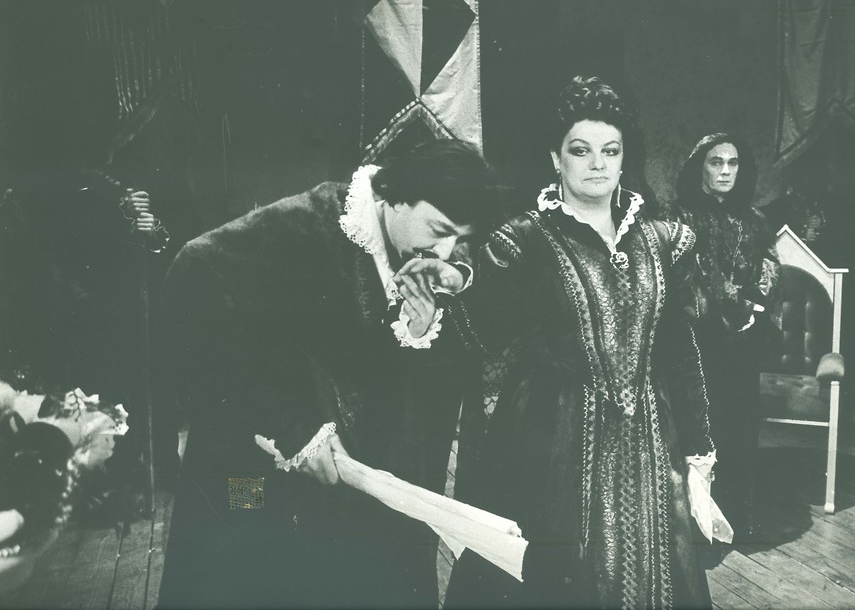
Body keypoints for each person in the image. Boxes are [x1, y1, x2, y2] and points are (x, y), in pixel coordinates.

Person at [403, 76, 717, 608]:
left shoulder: (661, 240)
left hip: (650, 447)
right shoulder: (524, 240)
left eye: (610, 150)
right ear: (556, 159)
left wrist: (698, 447)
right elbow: (478, 332)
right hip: (549, 447)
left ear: (623, 159)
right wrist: (438, 306)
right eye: (581, 150)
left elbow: (680, 352)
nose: (597, 163)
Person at [156, 139, 497, 608]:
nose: (445, 250)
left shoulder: (417, 246)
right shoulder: (306, 223)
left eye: (459, 239)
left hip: (336, 487)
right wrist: (292, 426)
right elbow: (192, 275)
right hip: (249, 469)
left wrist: (414, 331)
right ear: (396, 196)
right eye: (440, 231)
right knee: (244, 576)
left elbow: (364, 364)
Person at [674, 133, 781, 543]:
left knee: (740, 428)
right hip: (696, 340)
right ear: (699, 166)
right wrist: (733, 305)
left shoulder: (754, 218)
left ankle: (738, 517)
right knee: (700, 428)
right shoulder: (676, 215)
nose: (724, 171)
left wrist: (755, 304)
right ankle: (695, 527)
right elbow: (690, 274)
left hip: (744, 340)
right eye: (715, 162)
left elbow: (770, 264)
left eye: (732, 163)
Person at [761, 171, 855, 385]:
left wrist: (829, 239)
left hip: (831, 300)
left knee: (835, 356)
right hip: (782, 304)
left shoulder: (847, 210)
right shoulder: (775, 210)